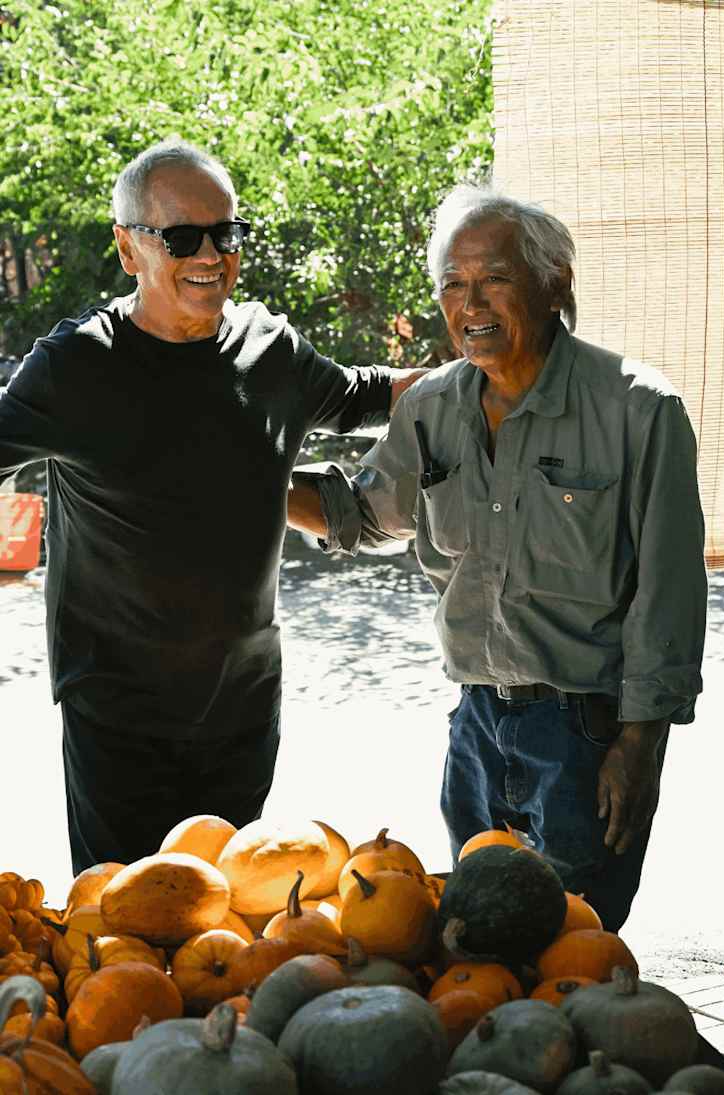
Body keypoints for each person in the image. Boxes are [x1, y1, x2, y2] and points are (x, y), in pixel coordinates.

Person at [288, 183, 707, 933]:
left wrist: (641, 742)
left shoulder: (638, 409)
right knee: (477, 950)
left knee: (574, 953)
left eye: (494, 279)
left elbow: (668, 594)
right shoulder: (430, 407)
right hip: (476, 725)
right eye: (453, 283)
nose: (469, 302)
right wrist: (245, 483)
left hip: (588, 736)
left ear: (555, 286)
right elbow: (360, 515)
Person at [0, 138, 424, 875]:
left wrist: (492, 378)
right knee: (128, 920)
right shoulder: (76, 367)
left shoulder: (271, 351)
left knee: (230, 917)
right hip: (117, 711)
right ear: (129, 249)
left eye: (226, 233)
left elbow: (366, 395)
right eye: (183, 237)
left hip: (242, 703)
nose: (211, 254)